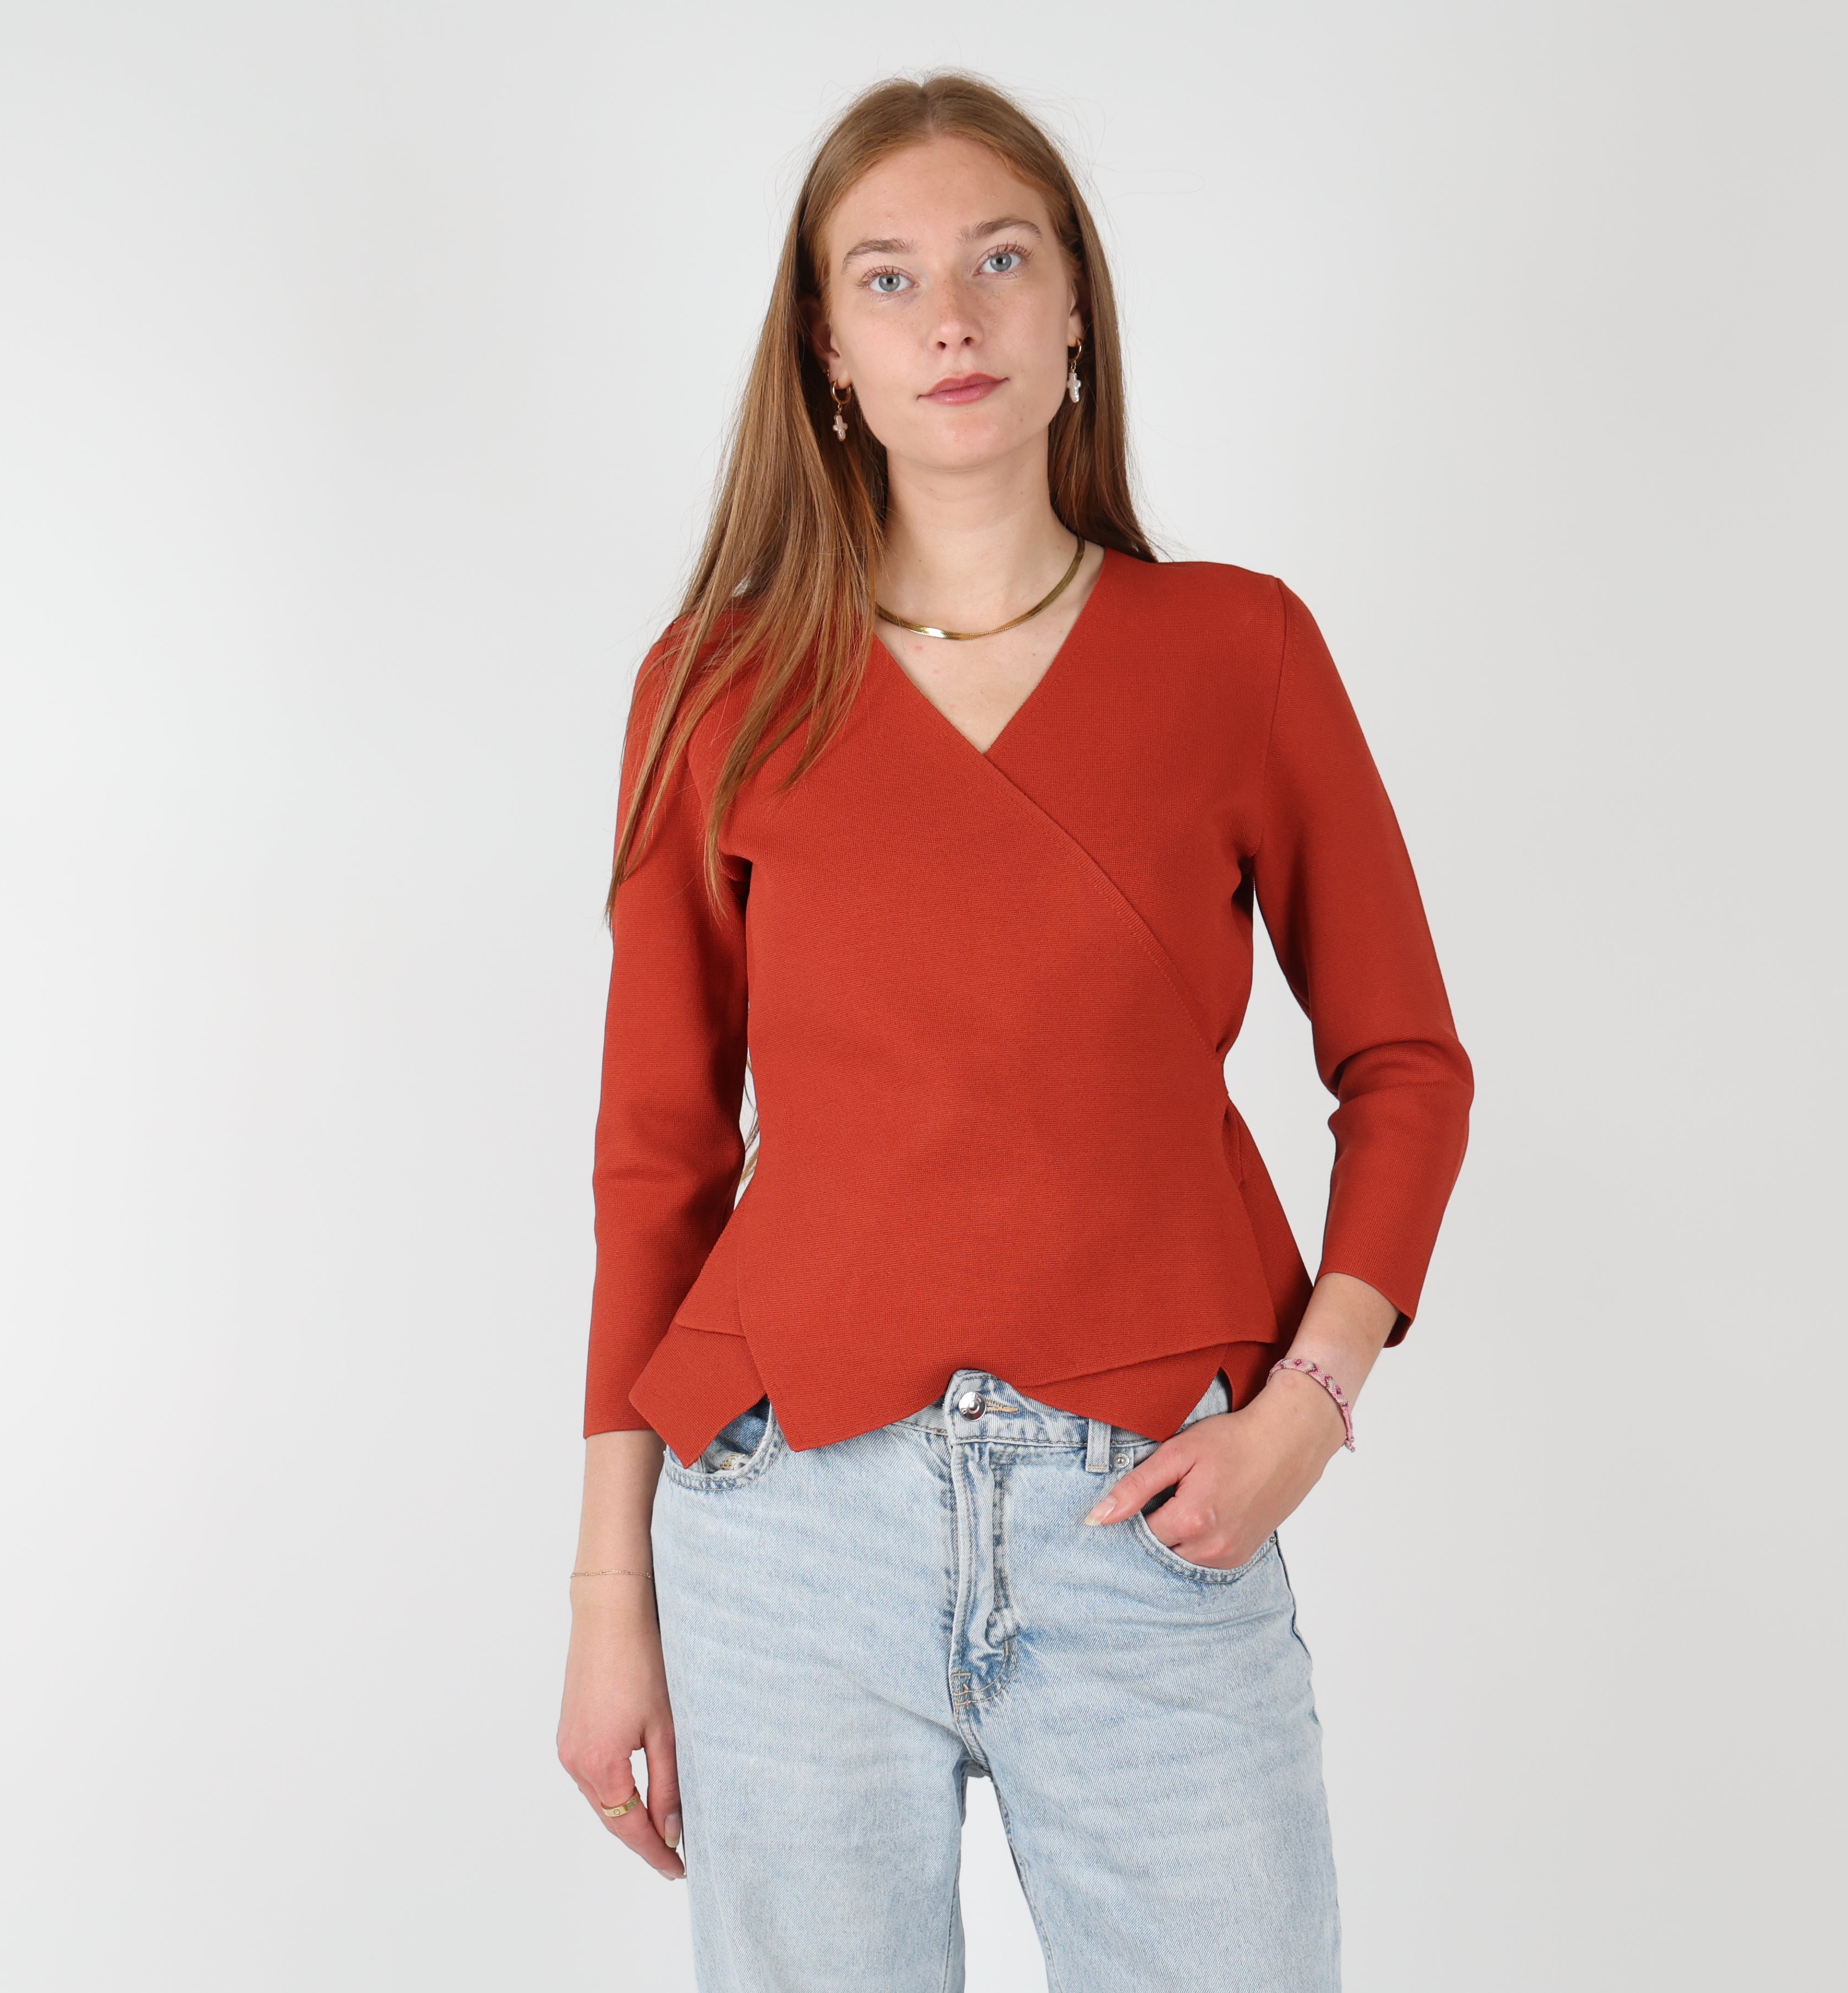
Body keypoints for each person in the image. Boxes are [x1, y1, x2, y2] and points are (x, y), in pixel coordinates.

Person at [556, 70, 1472, 1993]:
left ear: (1074, 311)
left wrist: (1312, 1408)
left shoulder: (1239, 650)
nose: (951, 318)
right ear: (828, 351)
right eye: (887, 279)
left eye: (999, 259)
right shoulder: (716, 688)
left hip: (1151, 1517)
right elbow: (658, 1163)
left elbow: (1405, 1067)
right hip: (784, 1532)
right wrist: (607, 1597)